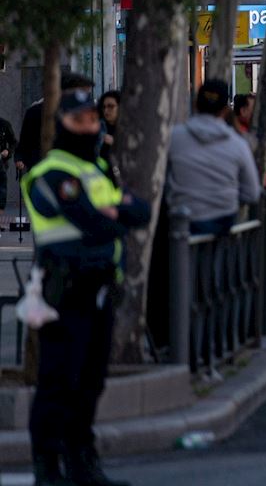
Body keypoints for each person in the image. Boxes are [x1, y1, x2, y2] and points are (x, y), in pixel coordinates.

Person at [22, 84, 151, 486]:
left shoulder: (96, 170)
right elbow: (96, 223)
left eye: (93, 119)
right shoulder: (50, 173)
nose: (90, 126)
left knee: (91, 381)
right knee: (59, 381)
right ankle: (48, 467)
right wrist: (115, 213)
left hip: (100, 289)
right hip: (65, 291)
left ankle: (83, 463)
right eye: (80, 120)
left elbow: (141, 211)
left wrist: (115, 212)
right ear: (61, 124)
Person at [166, 79, 262, 237]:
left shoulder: (173, 138)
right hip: (222, 225)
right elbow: (252, 193)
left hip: (181, 226)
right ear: (225, 110)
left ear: (196, 104)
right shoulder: (238, 144)